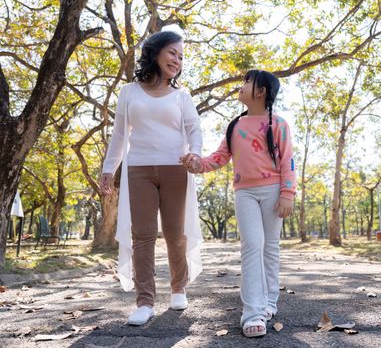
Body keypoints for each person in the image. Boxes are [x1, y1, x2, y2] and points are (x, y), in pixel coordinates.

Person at [181, 69, 296, 337]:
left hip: (273, 191)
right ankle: (252, 312)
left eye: (247, 81)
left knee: (270, 249)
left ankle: (268, 303)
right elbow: (220, 157)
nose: (241, 85)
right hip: (244, 193)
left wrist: (287, 193)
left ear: (261, 91)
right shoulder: (235, 125)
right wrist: (197, 164)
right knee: (251, 247)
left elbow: (288, 160)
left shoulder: (278, 124)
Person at [100, 30, 203, 326]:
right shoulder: (128, 92)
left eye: (181, 56)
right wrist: (109, 168)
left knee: (176, 234)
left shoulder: (182, 96)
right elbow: (120, 134)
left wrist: (194, 153)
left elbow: (194, 128)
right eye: (173, 52)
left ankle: (178, 288)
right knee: (142, 236)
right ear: (155, 52)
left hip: (176, 168)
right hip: (139, 169)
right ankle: (145, 301)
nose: (177, 60)